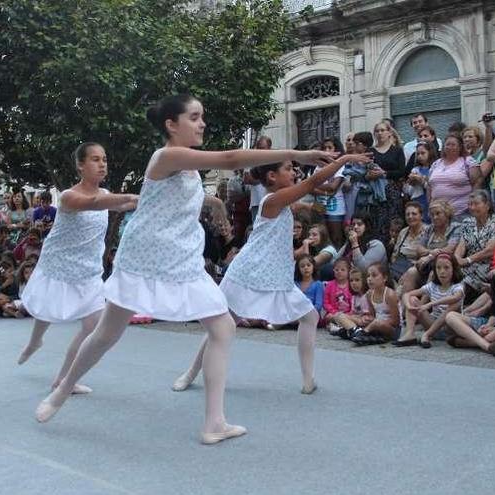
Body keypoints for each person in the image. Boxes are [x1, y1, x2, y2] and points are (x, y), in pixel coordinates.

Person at [33, 94, 335, 445]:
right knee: (107, 333)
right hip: (146, 256)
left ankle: (214, 423)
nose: (202, 123)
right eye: (194, 117)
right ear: (171, 125)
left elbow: (185, 195)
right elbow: (231, 158)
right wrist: (295, 154)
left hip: (182, 259)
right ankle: (61, 390)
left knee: (222, 326)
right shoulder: (166, 155)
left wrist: (216, 202)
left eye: (202, 116)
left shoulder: (189, 167)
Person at [173, 156, 362, 394]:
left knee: (310, 317)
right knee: (220, 325)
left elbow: (316, 203)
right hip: (248, 272)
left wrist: (321, 200)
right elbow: (311, 182)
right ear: (272, 177)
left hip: (274, 275)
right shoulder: (272, 200)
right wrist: (344, 159)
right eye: (288, 169)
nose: (293, 172)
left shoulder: (285, 202)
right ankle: (190, 373)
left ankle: (307, 380)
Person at [18, 142, 139, 393]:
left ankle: (63, 380)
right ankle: (35, 341)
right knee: (46, 306)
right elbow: (94, 203)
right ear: (80, 165)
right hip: (59, 263)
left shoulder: (106, 194)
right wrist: (128, 197)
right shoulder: (68, 196)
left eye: (104, 159)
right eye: (95, 159)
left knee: (92, 326)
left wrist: (151, 198)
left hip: (88, 271)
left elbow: (120, 204)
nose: (102, 164)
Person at [396, 253, 464, 347]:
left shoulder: (458, 287)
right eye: (438, 268)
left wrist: (430, 304)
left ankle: (427, 335)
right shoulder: (433, 286)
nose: (442, 271)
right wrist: (409, 306)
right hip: (432, 324)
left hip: (450, 328)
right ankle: (410, 333)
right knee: (413, 299)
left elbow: (456, 297)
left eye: (446, 268)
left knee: (455, 304)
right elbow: (407, 294)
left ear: (454, 269)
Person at [455, 190, 495, 298]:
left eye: (476, 204)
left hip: (487, 265)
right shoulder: (467, 222)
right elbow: (462, 244)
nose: (472, 207)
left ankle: (451, 308)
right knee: (443, 271)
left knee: (464, 280)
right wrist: (456, 259)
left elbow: (490, 250)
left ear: (487, 205)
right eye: (470, 204)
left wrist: (467, 260)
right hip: (467, 264)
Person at [428, 134, 480, 219]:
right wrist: (430, 203)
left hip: (461, 212)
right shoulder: (436, 163)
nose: (449, 147)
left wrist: (473, 203)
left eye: (453, 145)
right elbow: (429, 186)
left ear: (460, 147)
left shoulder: (467, 161)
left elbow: (477, 182)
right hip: (438, 214)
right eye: (447, 144)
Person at [349, 263, 399, 345]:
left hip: (391, 329)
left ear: (385, 278)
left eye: (374, 276)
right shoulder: (369, 294)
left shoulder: (390, 295)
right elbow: (373, 315)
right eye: (368, 276)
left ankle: (362, 333)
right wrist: (368, 319)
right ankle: (357, 332)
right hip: (376, 324)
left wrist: (376, 322)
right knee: (350, 317)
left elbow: (395, 321)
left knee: (377, 323)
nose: (369, 279)